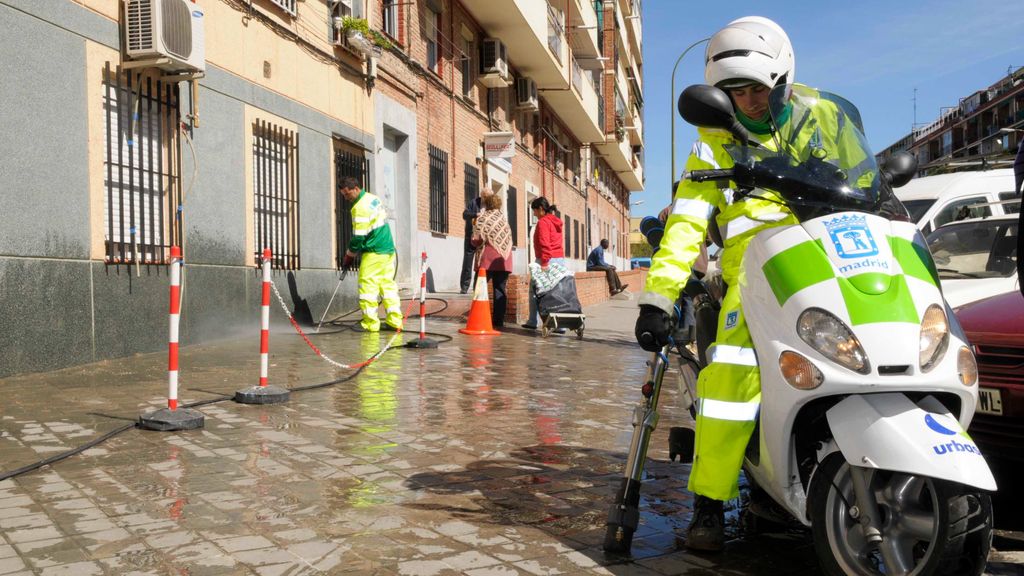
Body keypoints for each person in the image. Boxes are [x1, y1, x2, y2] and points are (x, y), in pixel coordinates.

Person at [634, 16, 843, 552]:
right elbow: (685, 221)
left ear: (782, 81)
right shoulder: (712, 140)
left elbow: (862, 178)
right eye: (734, 92)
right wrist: (657, 298)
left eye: (756, 89)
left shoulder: (823, 117)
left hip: (828, 258)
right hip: (752, 277)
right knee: (729, 372)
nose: (747, 102)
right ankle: (709, 500)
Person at [340, 176, 403, 332]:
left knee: (367, 286)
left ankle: (370, 323)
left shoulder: (359, 207)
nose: (346, 198)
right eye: (344, 196)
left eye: (347, 194)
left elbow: (359, 237)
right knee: (387, 286)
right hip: (388, 249)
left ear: (355, 188)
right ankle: (395, 321)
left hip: (374, 251)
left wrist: (349, 256)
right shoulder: (373, 198)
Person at [471, 194, 514, 328]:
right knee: (500, 290)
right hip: (503, 260)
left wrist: (472, 239)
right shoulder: (504, 220)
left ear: (486, 204)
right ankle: (498, 321)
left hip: (487, 260)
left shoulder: (482, 218)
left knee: (479, 288)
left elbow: (476, 239)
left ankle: (478, 317)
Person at [522, 197, 565, 330]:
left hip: (546, 259)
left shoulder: (543, 223)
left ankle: (533, 321)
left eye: (534, 210)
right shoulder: (555, 221)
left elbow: (544, 243)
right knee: (556, 292)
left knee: (535, 291)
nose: (534, 214)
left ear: (540, 209)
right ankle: (560, 325)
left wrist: (544, 262)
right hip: (559, 260)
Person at [460, 195, 483, 294]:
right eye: (485, 197)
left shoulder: (490, 205)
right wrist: (476, 214)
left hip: (483, 238)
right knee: (468, 262)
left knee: (480, 263)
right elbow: (465, 215)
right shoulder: (474, 202)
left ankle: (476, 287)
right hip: (471, 235)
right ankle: (464, 287)